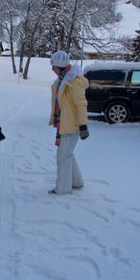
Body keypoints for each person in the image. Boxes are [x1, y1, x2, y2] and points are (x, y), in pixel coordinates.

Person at [48, 50, 89, 195]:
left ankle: (63, 189)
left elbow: (81, 104)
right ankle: (77, 182)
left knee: (63, 157)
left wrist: (83, 125)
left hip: (72, 126)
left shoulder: (74, 82)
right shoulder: (62, 80)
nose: (52, 68)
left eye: (54, 66)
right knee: (68, 154)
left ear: (60, 65)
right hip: (64, 124)